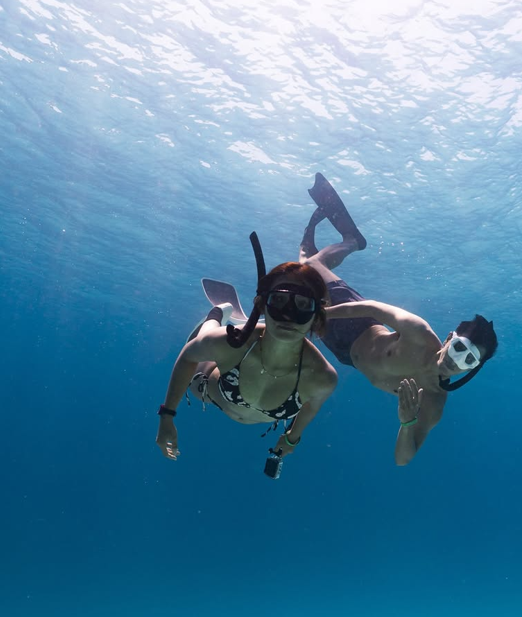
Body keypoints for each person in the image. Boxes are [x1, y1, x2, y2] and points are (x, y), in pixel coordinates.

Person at [300, 173, 498, 466]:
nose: (458, 361)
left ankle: (309, 242)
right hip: (354, 318)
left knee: (300, 272)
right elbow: (376, 309)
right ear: (448, 339)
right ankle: (352, 241)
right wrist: (323, 314)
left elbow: (402, 459)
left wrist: (407, 423)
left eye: (469, 360)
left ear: (474, 369)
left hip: (344, 354)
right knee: (309, 266)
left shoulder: (433, 401)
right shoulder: (420, 333)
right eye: (460, 348)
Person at [156, 262, 338, 462]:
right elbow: (188, 356)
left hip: (239, 365)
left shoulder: (322, 378)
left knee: (212, 342)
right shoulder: (228, 344)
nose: (288, 315)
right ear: (262, 304)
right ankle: (216, 314)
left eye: (303, 304)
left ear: (317, 315)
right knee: (204, 338)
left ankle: (252, 322)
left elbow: (310, 407)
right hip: (208, 387)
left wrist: (291, 440)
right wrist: (167, 416)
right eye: (278, 300)